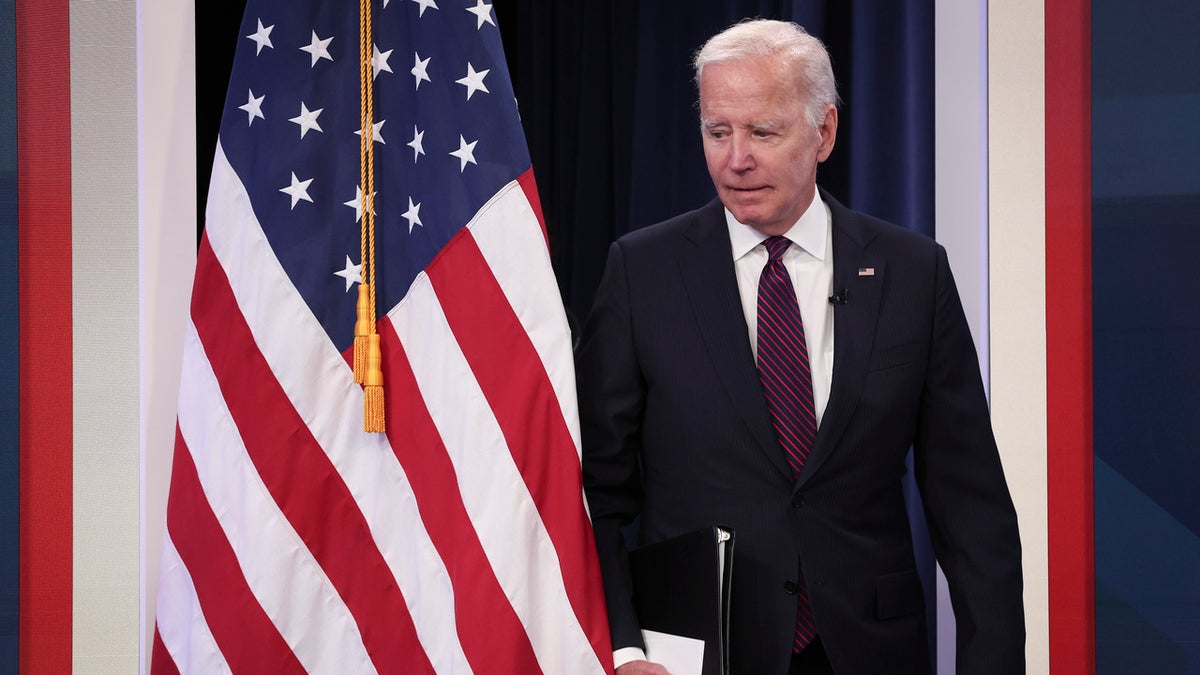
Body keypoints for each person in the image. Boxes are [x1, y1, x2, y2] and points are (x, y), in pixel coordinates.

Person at [578, 18, 1025, 675]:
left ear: (824, 131)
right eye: (717, 131)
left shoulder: (912, 273)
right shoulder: (641, 272)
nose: (735, 159)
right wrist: (621, 646)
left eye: (762, 131)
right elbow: (597, 489)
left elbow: (971, 509)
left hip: (867, 649)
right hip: (696, 652)